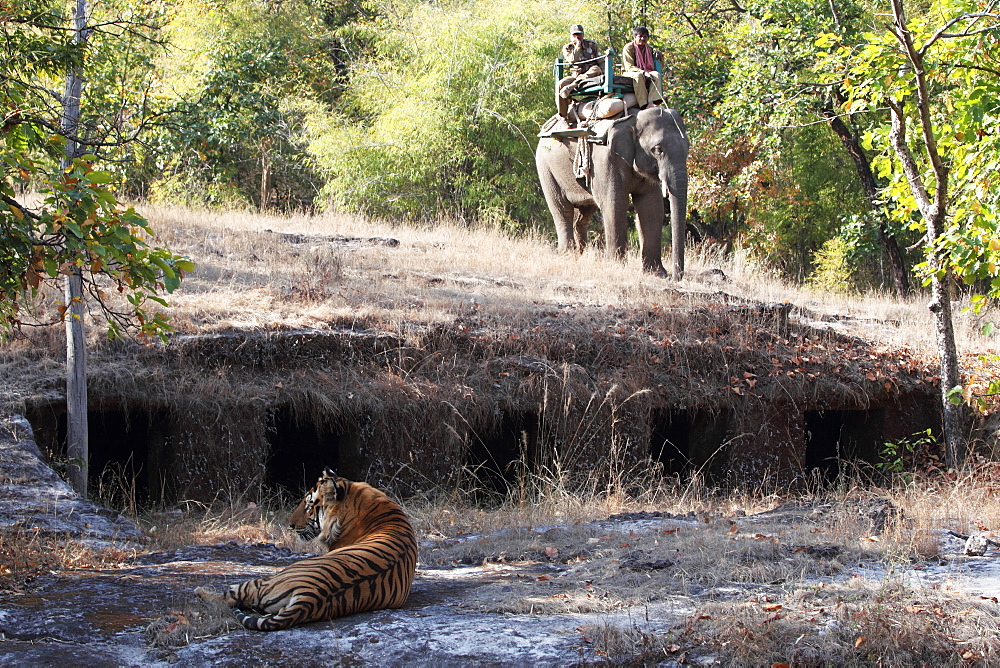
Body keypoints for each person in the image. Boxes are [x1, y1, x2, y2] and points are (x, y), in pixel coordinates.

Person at [555, 24, 603, 119]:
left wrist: (606, 75)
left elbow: (601, 60)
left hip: (591, 74)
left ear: (583, 34)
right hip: (575, 76)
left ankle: (573, 85)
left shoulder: (592, 45)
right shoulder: (567, 48)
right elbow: (573, 60)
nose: (577, 37)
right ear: (570, 36)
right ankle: (563, 116)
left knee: (596, 68)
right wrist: (577, 46)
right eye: (575, 35)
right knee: (560, 84)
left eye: (579, 34)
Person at [622, 26, 663, 110]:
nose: (642, 38)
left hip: (647, 71)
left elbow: (660, 66)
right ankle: (643, 105)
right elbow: (629, 66)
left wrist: (660, 56)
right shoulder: (628, 48)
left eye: (645, 37)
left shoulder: (649, 49)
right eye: (640, 36)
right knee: (639, 76)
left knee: (656, 74)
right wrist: (643, 72)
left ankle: (652, 101)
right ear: (635, 37)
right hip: (630, 72)